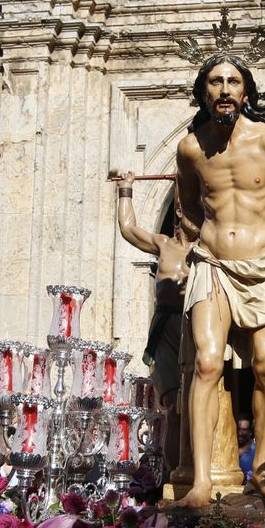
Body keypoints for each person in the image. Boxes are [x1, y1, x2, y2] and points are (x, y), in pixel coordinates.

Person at [174, 54, 265, 506]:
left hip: (264, 264)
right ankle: (201, 480)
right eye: (215, 81)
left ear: (246, 92)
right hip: (212, 263)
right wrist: (212, 239)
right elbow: (189, 203)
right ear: (204, 91)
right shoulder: (191, 147)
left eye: (233, 81)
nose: (225, 89)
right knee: (208, 364)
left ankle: (264, 468)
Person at [115, 171, 197, 473]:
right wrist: (126, 188)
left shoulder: (208, 249)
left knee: (194, 408)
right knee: (173, 406)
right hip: (164, 331)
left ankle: (192, 471)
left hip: (195, 330)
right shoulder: (163, 244)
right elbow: (128, 228)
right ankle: (173, 475)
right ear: (178, 211)